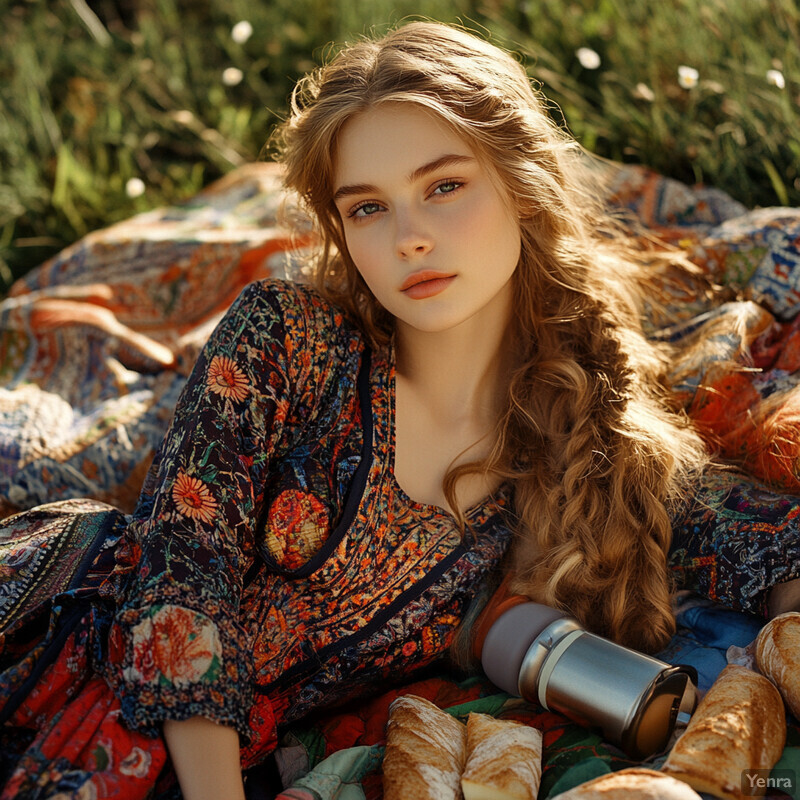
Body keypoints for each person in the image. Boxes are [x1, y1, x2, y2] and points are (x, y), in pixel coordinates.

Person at [1, 20, 798, 800]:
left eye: (443, 187)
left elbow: (752, 541)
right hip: (53, 645)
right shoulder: (285, 337)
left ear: (522, 189)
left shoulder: (570, 443)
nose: (409, 237)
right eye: (368, 208)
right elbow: (184, 580)